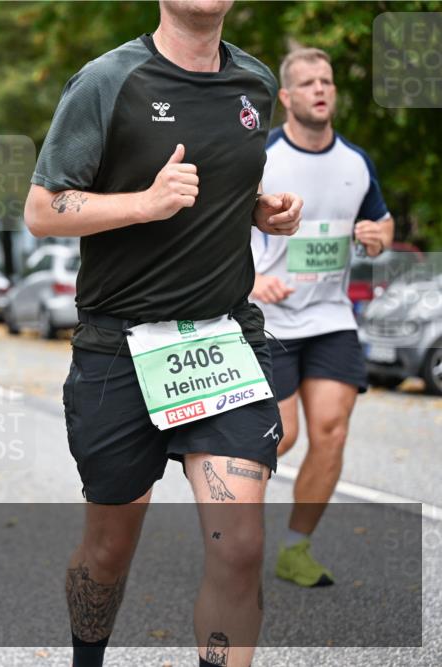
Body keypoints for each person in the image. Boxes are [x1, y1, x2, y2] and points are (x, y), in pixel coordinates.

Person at [23, 2, 303, 666]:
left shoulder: (255, 84)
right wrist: (144, 203)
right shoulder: (107, 80)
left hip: (223, 340)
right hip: (120, 348)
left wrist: (261, 207)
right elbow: (42, 209)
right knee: (108, 550)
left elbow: (231, 177)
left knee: (239, 545)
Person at [249, 47, 394, 588]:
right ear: (286, 97)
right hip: (269, 319)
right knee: (280, 438)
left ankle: (295, 548)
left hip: (332, 317)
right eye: (308, 82)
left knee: (330, 433)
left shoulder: (355, 163)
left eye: (327, 81)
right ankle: (237, 536)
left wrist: (379, 238)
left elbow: (381, 223)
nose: (320, 89)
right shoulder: (261, 158)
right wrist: (253, 280)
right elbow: (218, 232)